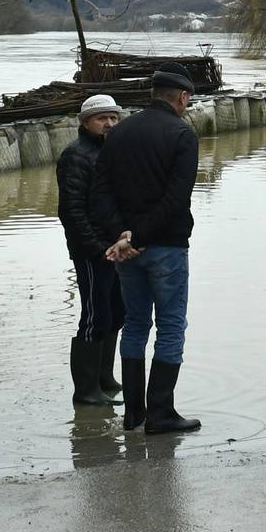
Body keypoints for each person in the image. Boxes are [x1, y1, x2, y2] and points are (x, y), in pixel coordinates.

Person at [92, 63, 202, 436]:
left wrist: (121, 236)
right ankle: (161, 414)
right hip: (165, 247)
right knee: (171, 326)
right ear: (183, 98)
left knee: (135, 325)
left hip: (126, 252)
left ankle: (132, 415)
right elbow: (176, 200)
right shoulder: (182, 135)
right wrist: (137, 236)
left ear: (153, 94)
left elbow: (100, 192)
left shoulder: (118, 133)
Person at [57, 93, 126, 407]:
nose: (109, 123)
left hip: (115, 248)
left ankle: (104, 378)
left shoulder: (112, 151)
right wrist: (98, 249)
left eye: (113, 118)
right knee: (94, 315)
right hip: (91, 251)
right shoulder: (76, 155)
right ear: (85, 122)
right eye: (102, 118)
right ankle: (85, 391)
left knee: (116, 312)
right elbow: (71, 211)